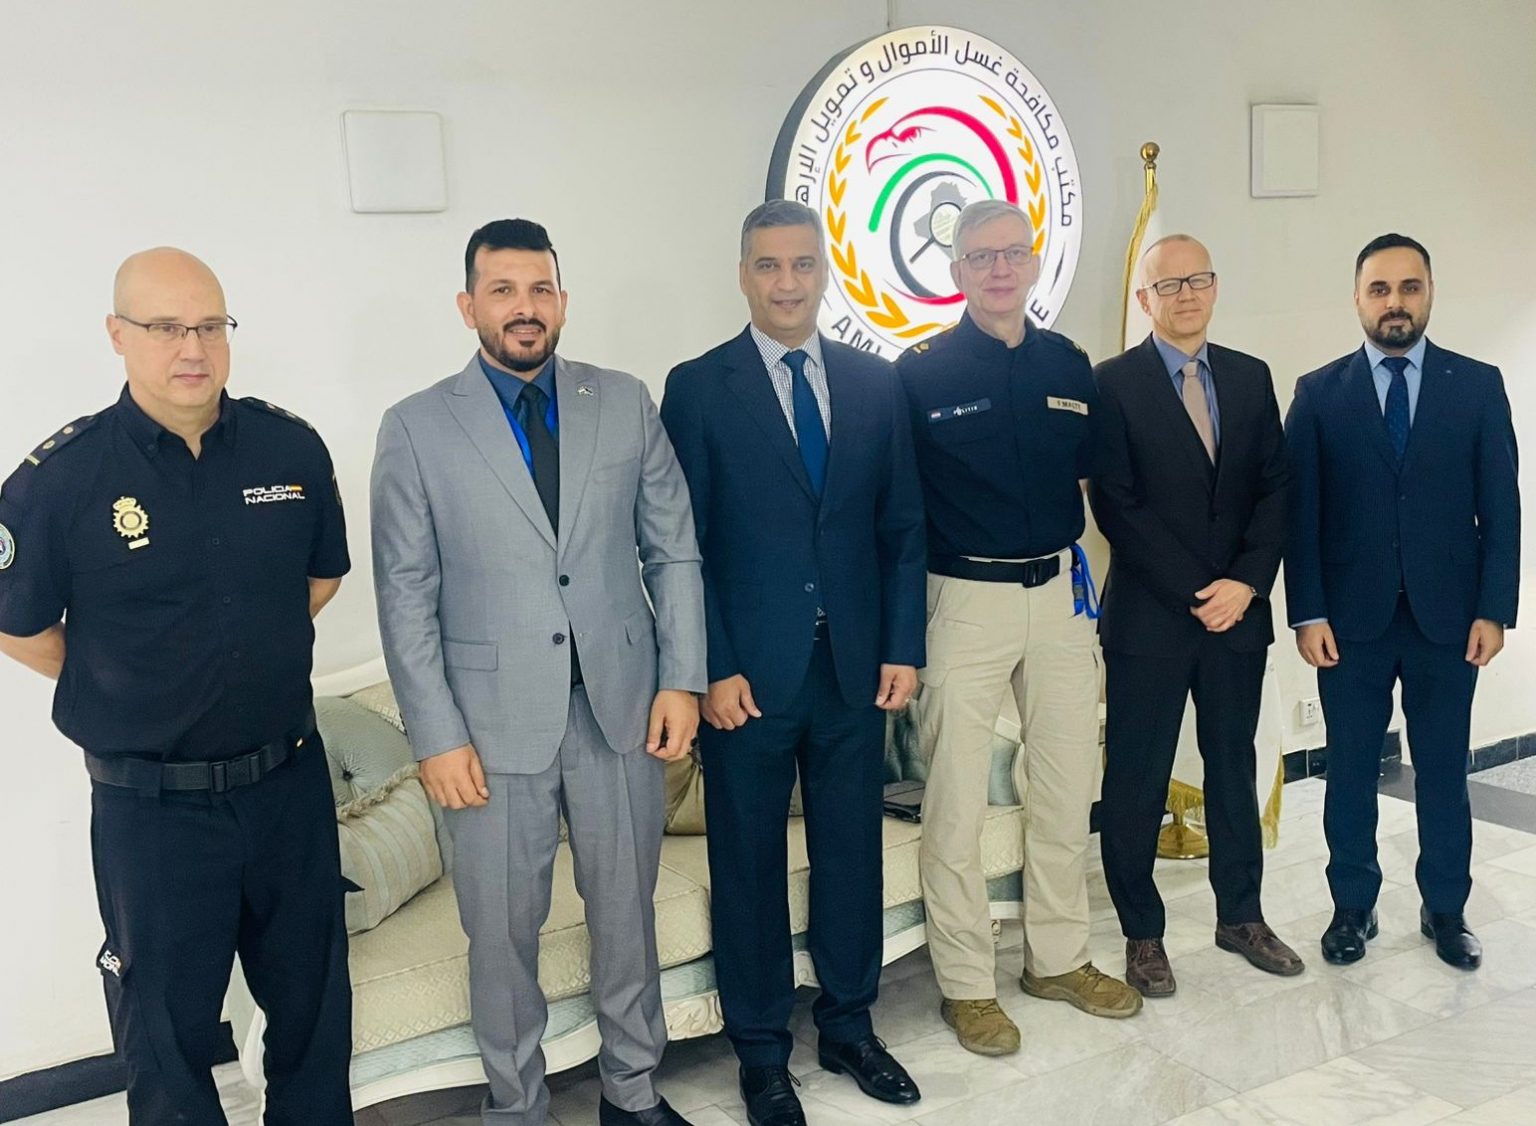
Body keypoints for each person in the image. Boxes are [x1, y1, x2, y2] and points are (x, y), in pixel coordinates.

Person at [0, 248, 353, 1124]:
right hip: (152, 811)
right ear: (118, 335)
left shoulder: (289, 447)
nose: (192, 348)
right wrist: (128, 682)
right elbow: (18, 623)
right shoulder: (61, 480)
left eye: (209, 325)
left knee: (314, 1020)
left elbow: (319, 580)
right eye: (165, 327)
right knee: (166, 1041)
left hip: (287, 787)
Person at [371, 219, 706, 1126]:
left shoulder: (624, 400)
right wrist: (435, 736)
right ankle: (515, 1106)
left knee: (626, 914)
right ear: (468, 305)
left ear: (562, 300)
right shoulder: (416, 427)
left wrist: (682, 679)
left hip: (619, 713)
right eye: (504, 290)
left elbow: (673, 550)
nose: (525, 308)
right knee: (502, 933)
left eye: (541, 289)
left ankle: (632, 1092)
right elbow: (405, 595)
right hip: (487, 732)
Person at [660, 199, 926, 1126]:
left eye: (802, 264)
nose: (786, 283)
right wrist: (710, 666)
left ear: (825, 272)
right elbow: (680, 545)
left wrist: (902, 645)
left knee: (853, 854)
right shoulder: (698, 387)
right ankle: (763, 1052)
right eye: (768, 265)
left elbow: (901, 527)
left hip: (853, 669)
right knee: (748, 867)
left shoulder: (874, 382)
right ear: (743, 275)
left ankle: (850, 1026)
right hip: (746, 682)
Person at [895, 199, 1142, 1056]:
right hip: (964, 599)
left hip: (1061, 597)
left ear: (1033, 263)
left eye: (1013, 253)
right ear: (956, 271)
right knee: (956, 800)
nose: (999, 269)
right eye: (981, 256)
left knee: (1067, 786)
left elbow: (1096, 482)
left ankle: (1058, 960)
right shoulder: (919, 374)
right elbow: (899, 510)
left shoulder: (1069, 364)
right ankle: (968, 985)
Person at [1285, 233, 1519, 970]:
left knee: (1444, 772)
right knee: (1351, 771)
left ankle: (1445, 908)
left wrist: (1495, 609)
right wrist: (1307, 611)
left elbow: (1502, 507)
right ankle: (1352, 907)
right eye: (1380, 289)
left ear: (1429, 294)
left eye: (1409, 287)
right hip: (1348, 625)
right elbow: (1300, 516)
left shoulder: (1476, 386)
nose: (1395, 302)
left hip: (1449, 621)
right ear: (1357, 299)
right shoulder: (1318, 395)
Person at [1091, 234, 1302, 997]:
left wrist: (1245, 584)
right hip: (1150, 619)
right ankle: (1142, 934)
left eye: (1198, 280)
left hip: (1238, 617)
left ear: (1215, 288)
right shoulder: (1111, 383)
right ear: (1144, 299)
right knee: (1136, 780)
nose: (1186, 295)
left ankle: (1241, 916)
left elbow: (1276, 489)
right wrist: (1198, 590)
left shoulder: (1250, 376)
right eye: (1169, 284)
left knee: (1232, 768)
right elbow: (1117, 504)